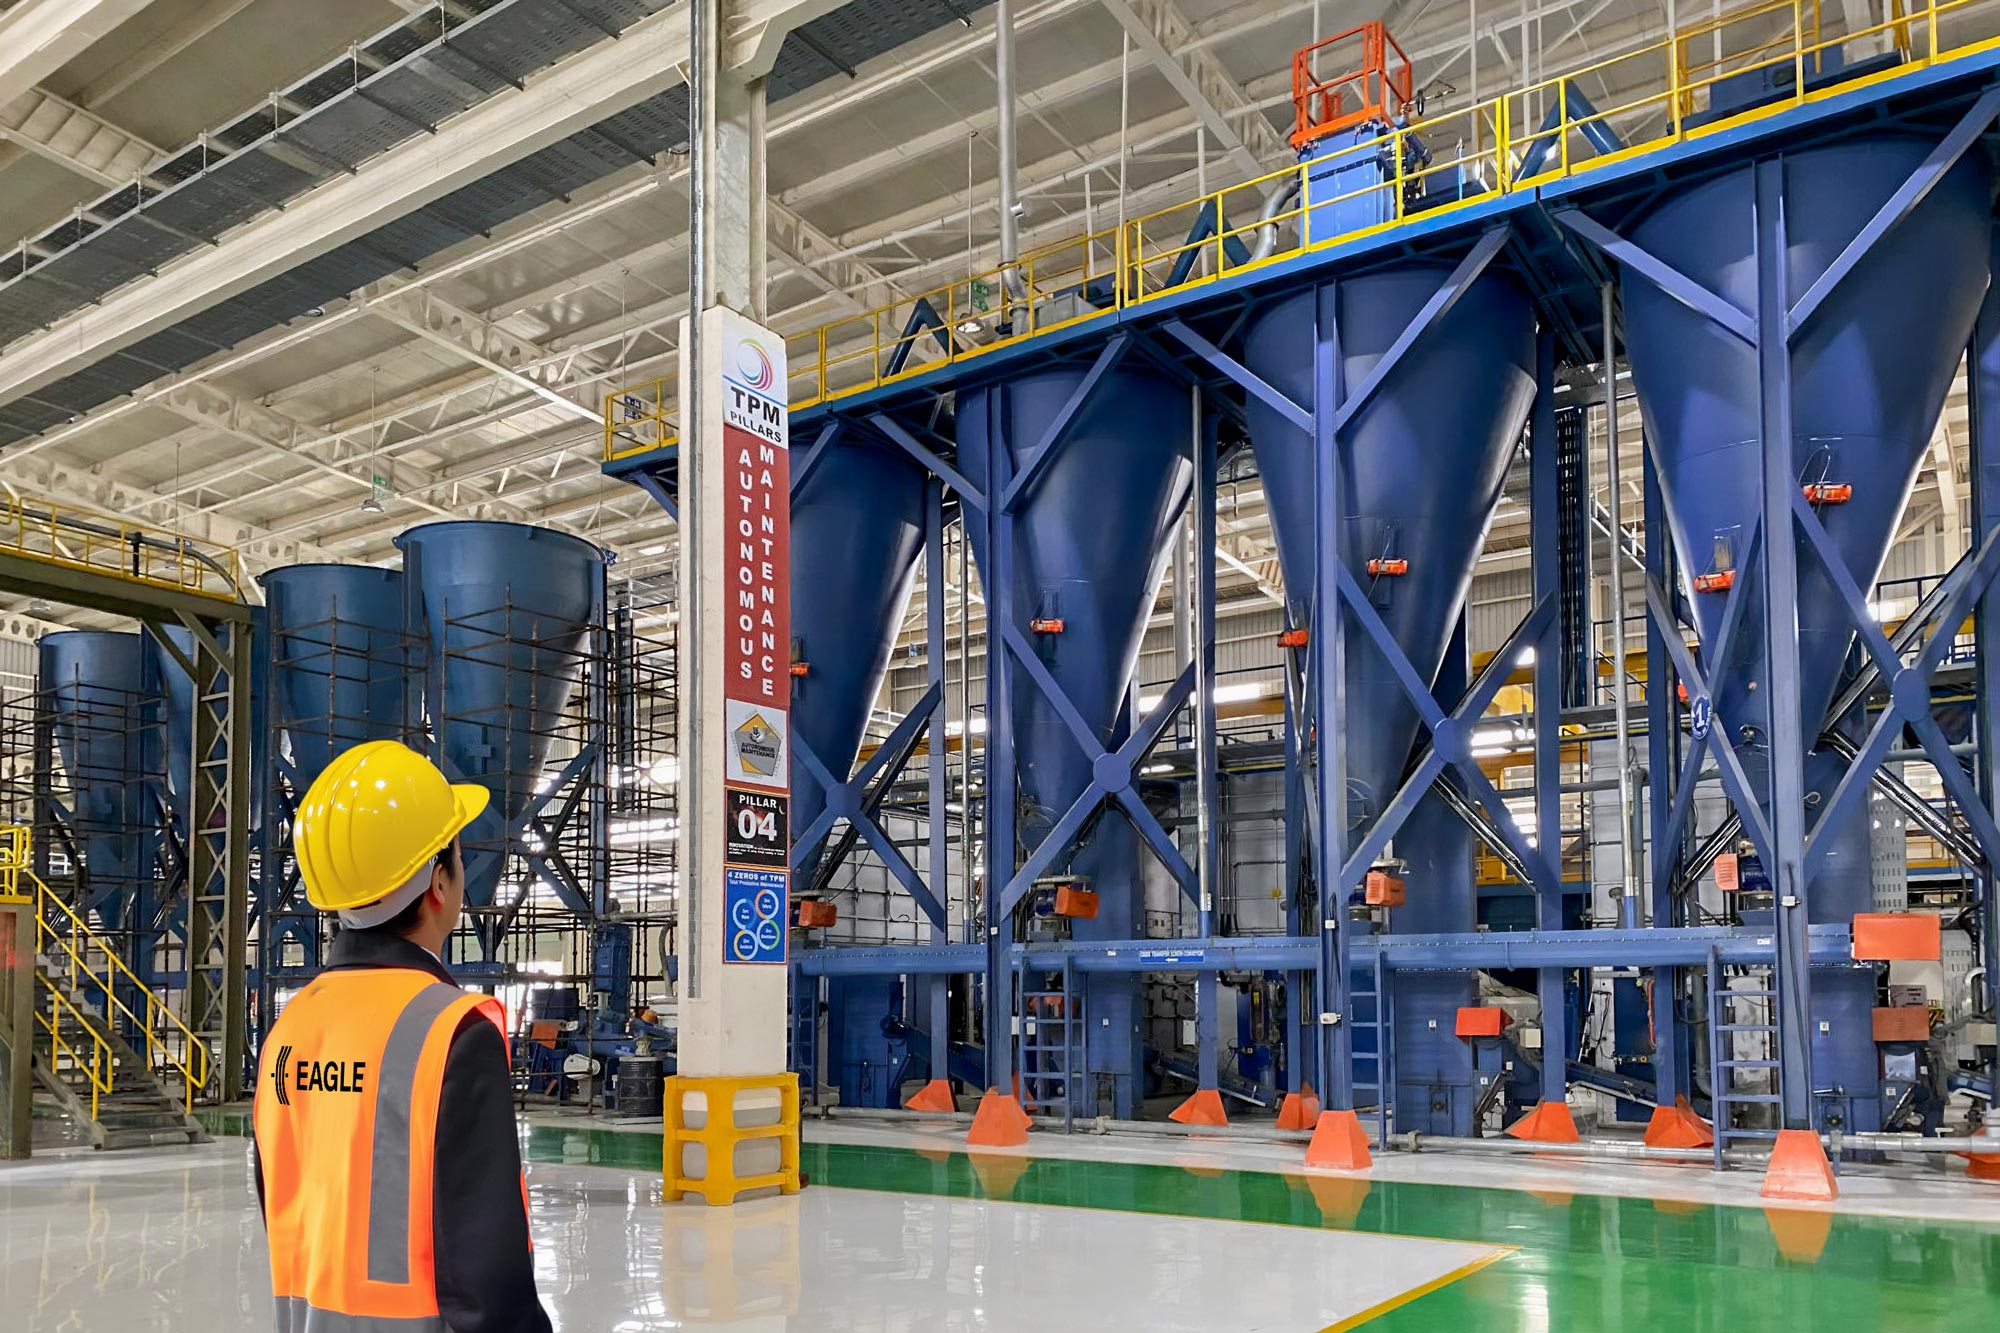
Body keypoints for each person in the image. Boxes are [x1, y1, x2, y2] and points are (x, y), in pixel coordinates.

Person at [252, 739, 552, 1333]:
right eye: (458, 856)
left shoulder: (289, 1028)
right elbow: (486, 1275)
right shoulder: (452, 1032)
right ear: (439, 880)